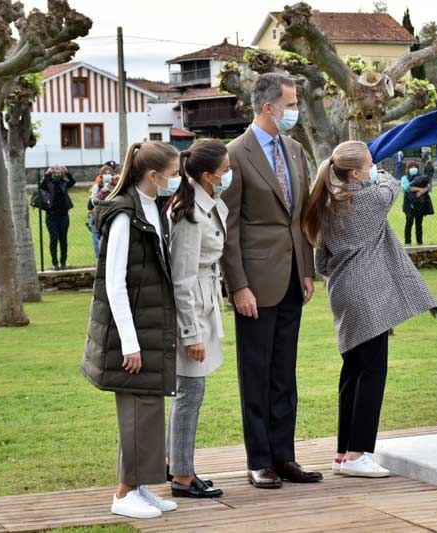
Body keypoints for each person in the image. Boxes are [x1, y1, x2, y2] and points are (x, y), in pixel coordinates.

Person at [301, 140, 437, 478]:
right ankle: (358, 453)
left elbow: (323, 262)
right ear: (357, 171)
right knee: (373, 373)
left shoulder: (328, 205)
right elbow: (391, 184)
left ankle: (342, 453)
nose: (376, 167)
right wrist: (377, 174)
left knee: (352, 372)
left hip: (343, 292)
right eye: (370, 163)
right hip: (367, 295)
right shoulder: (369, 198)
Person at [220, 73, 322, 489]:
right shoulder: (235, 154)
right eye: (291, 104)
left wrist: (307, 268)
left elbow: (300, 217)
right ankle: (259, 459)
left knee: (285, 374)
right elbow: (228, 226)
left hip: (293, 279)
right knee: (256, 373)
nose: (296, 111)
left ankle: (285, 457)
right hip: (255, 284)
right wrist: (238, 284)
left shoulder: (295, 149)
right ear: (268, 108)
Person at [80, 141, 181, 519]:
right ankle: (123, 494)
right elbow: (114, 282)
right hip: (134, 329)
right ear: (153, 176)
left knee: (149, 409)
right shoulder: (124, 215)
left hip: (152, 323)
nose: (176, 181)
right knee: (137, 412)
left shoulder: (153, 208)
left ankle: (139, 486)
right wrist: (129, 341)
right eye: (172, 176)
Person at [165, 139, 230, 499]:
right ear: (207, 175)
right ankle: (183, 476)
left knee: (189, 392)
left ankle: (175, 464)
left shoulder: (206, 204)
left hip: (205, 302)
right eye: (224, 171)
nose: (228, 175)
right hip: (192, 310)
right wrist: (190, 334)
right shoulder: (189, 213)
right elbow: (183, 278)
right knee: (191, 391)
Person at [40, 165, 75, 270]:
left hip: (63, 216)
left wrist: (67, 172)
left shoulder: (64, 183)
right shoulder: (48, 183)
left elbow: (72, 182)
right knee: (53, 239)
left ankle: (63, 262)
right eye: (54, 173)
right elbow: (41, 185)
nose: (56, 174)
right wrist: (47, 173)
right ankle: (55, 263)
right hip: (51, 216)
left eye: (58, 172)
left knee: (63, 240)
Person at [401, 161, 434, 246]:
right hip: (409, 204)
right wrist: (420, 189)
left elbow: (429, 187)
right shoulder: (405, 178)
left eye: (414, 167)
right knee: (409, 222)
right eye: (411, 167)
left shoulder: (422, 177)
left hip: (419, 204)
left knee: (419, 223)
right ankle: (408, 242)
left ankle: (420, 242)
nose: (413, 169)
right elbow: (407, 188)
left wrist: (423, 190)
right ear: (408, 169)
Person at [88, 165, 115, 259]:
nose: (107, 175)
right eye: (105, 173)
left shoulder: (115, 185)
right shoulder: (97, 186)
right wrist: (102, 192)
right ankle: (99, 257)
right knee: (96, 236)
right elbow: (93, 201)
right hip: (98, 214)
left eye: (109, 173)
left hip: (111, 214)